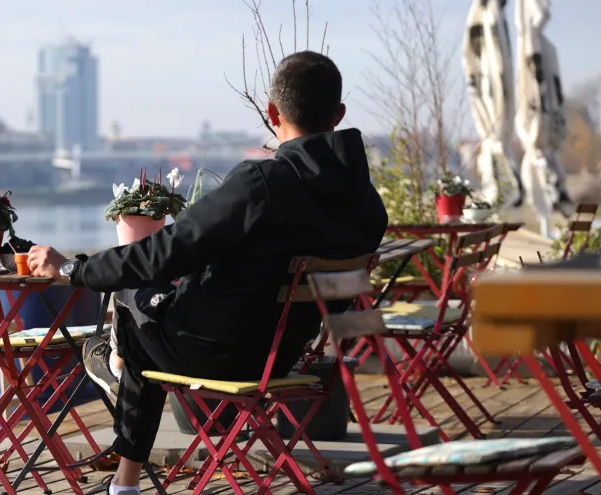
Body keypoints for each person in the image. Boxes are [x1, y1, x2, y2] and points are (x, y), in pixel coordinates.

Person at [28, 51, 388, 495]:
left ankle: (120, 410)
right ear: (339, 115)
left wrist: (71, 269)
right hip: (285, 355)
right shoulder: (368, 205)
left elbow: (164, 251)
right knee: (147, 315)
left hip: (215, 353)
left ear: (273, 113)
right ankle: (121, 403)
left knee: (133, 305)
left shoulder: (263, 184)